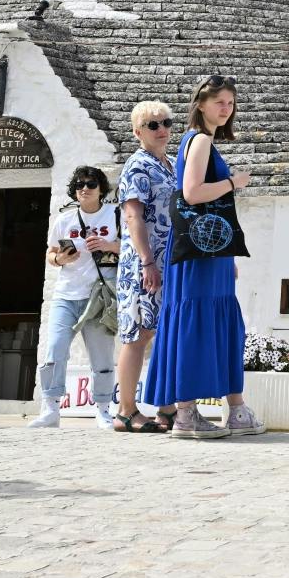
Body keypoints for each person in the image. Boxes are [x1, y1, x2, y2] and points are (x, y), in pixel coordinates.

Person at [143, 75, 266, 440]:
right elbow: (192, 193)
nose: (226, 109)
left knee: (217, 323)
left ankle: (231, 410)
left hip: (208, 251)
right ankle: (187, 412)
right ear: (201, 104)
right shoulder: (198, 141)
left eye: (230, 102)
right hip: (197, 256)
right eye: (219, 102)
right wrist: (234, 182)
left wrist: (226, 254)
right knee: (199, 323)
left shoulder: (204, 141)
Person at [29, 166, 120, 429]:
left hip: (100, 297)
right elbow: (51, 252)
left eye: (91, 184)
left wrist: (108, 245)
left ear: (101, 188)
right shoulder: (64, 220)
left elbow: (134, 246)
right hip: (66, 295)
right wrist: (59, 258)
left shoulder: (115, 215)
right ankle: (50, 408)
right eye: (79, 184)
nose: (85, 188)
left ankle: (103, 408)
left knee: (101, 355)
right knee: (54, 350)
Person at [111, 100, 179, 432]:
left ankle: (166, 408)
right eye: (153, 125)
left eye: (166, 122)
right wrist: (147, 261)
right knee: (138, 333)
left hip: (170, 262)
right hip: (145, 264)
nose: (162, 129)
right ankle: (126, 410)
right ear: (138, 132)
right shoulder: (138, 166)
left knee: (165, 332)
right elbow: (132, 216)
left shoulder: (171, 163)